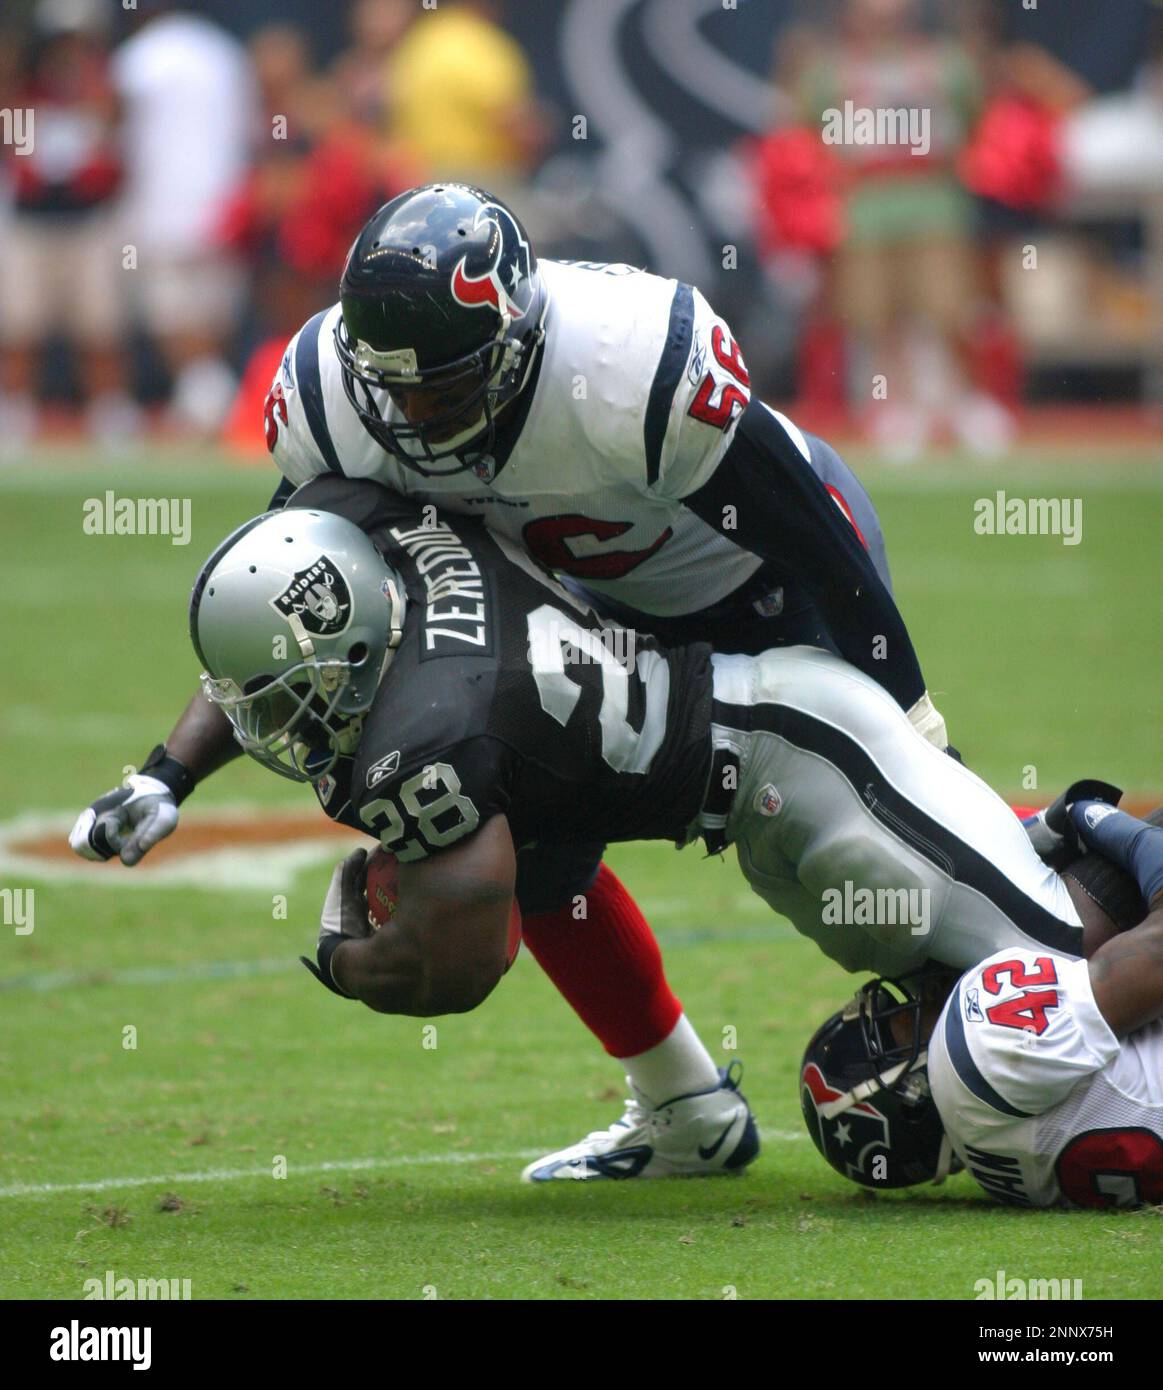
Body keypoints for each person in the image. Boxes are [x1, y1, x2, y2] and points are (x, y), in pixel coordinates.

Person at [70, 182, 950, 1180]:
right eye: (392, 391)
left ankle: (1021, 1034)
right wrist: (165, 774)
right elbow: (290, 600)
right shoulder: (332, 396)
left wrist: (909, 717)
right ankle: (685, 1110)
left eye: (442, 387)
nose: (414, 416)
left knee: (860, 869)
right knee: (525, 842)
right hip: (600, 605)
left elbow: (810, 535)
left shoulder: (623, 363)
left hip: (761, 583)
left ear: (517, 338)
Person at [118, 478, 1126, 1179]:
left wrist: (346, 958)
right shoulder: (373, 531)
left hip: (805, 762)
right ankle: (687, 1112)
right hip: (759, 778)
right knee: (1015, 954)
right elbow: (271, 667)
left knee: (1058, 983)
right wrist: (170, 773)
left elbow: (462, 963)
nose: (277, 733)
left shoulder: (422, 738)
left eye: (293, 702)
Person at [801, 793, 1163, 1207]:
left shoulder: (1000, 1176)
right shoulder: (979, 1043)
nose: (920, 996)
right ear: (911, 1100)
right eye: (895, 1028)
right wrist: (1107, 824)